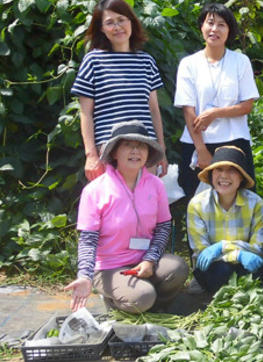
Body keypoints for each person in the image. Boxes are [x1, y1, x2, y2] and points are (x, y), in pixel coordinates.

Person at [65, 121, 189, 313]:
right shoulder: (95, 190)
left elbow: (163, 226)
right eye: (128, 145)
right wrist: (85, 276)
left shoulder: (155, 185)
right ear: (114, 152)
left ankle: (154, 308)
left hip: (144, 261)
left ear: (148, 153)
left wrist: (149, 259)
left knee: (178, 268)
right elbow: (88, 239)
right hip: (110, 267)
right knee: (143, 296)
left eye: (141, 146)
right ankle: (120, 300)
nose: (135, 151)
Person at [71, 0, 168, 182]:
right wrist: (91, 155)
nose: (117, 27)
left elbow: (154, 111)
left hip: (144, 151)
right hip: (109, 152)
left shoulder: (146, 62)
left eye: (121, 20)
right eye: (110, 23)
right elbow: (86, 113)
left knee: (145, 207)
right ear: (101, 29)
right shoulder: (93, 61)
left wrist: (161, 150)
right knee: (112, 208)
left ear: (131, 22)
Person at [174, 3, 260, 197]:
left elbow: (247, 105)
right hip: (197, 143)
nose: (214, 29)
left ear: (229, 31)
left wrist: (215, 113)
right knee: (196, 200)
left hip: (234, 141)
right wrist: (201, 149)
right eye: (210, 23)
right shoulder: (189, 64)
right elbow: (188, 110)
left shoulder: (240, 61)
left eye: (221, 24)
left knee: (240, 199)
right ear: (201, 27)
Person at [186, 146, 263, 294]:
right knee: (221, 272)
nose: (224, 176)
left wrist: (224, 247)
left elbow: (259, 248)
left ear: (241, 176)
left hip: (245, 262)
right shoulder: (197, 204)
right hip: (214, 266)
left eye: (232, 170)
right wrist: (236, 252)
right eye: (218, 170)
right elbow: (203, 252)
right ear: (211, 174)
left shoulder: (255, 202)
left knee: (257, 271)